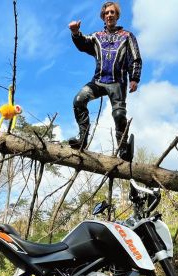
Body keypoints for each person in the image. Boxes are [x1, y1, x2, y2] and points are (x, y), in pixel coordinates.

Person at [67, 1, 142, 160]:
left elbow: (135, 59)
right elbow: (83, 44)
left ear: (117, 15)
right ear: (103, 16)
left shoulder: (127, 36)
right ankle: (82, 140)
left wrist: (134, 78)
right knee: (79, 100)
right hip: (98, 81)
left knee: (119, 114)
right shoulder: (97, 37)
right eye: (106, 13)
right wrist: (75, 32)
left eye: (112, 12)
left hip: (118, 83)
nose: (109, 15)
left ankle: (123, 148)